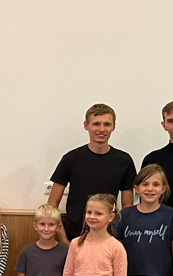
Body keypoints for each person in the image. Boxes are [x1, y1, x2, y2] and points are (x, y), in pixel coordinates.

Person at [48, 103, 136, 241]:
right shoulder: (71, 159)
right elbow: (51, 206)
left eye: (107, 124)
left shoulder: (124, 161)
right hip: (74, 236)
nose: (102, 129)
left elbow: (127, 208)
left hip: (108, 236)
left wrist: (119, 240)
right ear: (86, 125)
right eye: (96, 124)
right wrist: (64, 241)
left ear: (113, 127)